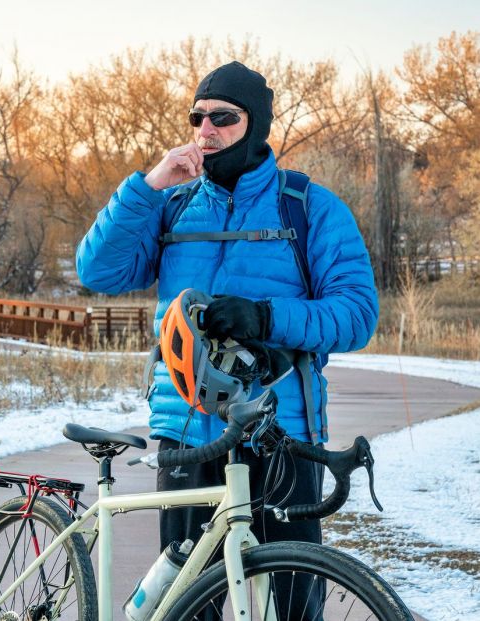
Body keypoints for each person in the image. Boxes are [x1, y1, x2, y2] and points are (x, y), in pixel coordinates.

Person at [76, 61, 378, 616]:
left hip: (281, 433)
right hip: (188, 431)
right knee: (190, 603)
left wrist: (265, 317)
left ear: (256, 124)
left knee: (287, 602)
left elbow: (357, 314)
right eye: (198, 117)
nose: (206, 129)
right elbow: (97, 271)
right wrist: (148, 186)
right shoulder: (172, 205)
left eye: (223, 117)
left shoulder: (308, 208)